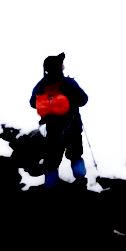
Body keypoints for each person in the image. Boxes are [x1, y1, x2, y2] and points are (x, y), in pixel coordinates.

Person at [28, 54, 90, 189]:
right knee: (75, 154)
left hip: (52, 128)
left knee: (52, 158)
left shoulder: (41, 85)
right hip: (72, 125)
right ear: (59, 67)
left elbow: (33, 103)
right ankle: (80, 181)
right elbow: (83, 99)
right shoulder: (69, 83)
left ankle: (50, 186)